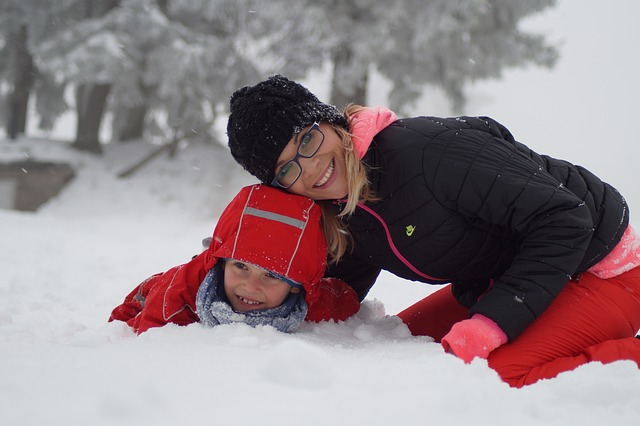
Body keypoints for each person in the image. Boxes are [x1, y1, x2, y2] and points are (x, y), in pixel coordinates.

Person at [225, 74, 640, 387]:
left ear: (329, 122)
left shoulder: (427, 153)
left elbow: (564, 219)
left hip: (601, 268)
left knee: (495, 379)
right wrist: (252, 299)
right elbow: (339, 286)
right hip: (509, 278)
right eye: (287, 168)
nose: (310, 167)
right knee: (399, 345)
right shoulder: (341, 207)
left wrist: (492, 324)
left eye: (308, 140)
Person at [109, 184, 360, 334]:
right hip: (151, 294)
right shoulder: (177, 295)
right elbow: (146, 340)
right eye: (241, 266)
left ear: (296, 285)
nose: (250, 286)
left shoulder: (306, 303)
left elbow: (343, 299)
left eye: (271, 275)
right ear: (223, 263)